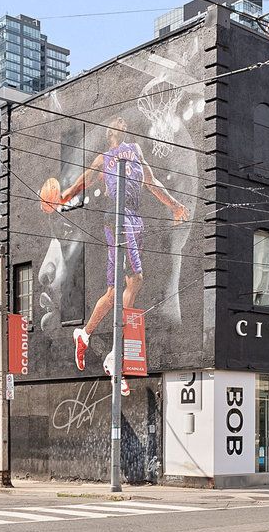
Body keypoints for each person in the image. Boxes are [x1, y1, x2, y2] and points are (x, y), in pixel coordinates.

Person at [42, 117, 188, 378]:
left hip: (134, 218)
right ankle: (115, 352)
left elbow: (152, 182)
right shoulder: (103, 159)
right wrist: (62, 197)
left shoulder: (134, 150)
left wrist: (175, 205)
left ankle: (84, 334)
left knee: (114, 292)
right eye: (115, 121)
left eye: (122, 121)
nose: (120, 121)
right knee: (136, 279)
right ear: (110, 132)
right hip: (117, 217)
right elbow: (82, 183)